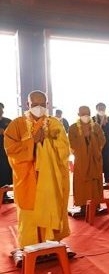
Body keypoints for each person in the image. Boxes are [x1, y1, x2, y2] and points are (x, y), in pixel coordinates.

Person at [3, 90, 70, 248]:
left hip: (49, 179)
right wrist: (32, 142)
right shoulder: (17, 124)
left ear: (47, 105)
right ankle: (31, 245)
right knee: (29, 213)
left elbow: (64, 149)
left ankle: (51, 244)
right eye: (34, 104)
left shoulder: (54, 123)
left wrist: (46, 142)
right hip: (28, 178)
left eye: (42, 104)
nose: (38, 107)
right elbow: (11, 149)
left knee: (51, 208)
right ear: (28, 104)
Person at [68, 106, 106, 218]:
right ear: (78, 114)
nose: (86, 116)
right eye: (83, 114)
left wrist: (91, 137)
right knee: (81, 182)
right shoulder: (73, 128)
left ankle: (97, 204)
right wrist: (83, 138)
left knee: (95, 181)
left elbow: (102, 140)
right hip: (81, 161)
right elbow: (72, 143)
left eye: (87, 114)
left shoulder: (96, 126)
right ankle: (83, 205)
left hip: (94, 160)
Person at [94, 103, 109, 185]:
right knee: (97, 162)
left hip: (107, 144)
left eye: (103, 108)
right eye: (99, 108)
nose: (101, 110)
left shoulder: (108, 119)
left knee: (107, 161)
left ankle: (107, 180)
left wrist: (106, 125)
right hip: (97, 145)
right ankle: (97, 181)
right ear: (96, 109)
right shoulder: (93, 119)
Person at [0, 103, 12, 203]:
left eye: (1, 109)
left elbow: (15, 135)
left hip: (5, 152)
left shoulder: (8, 122)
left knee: (5, 172)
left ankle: (5, 194)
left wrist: (5, 133)